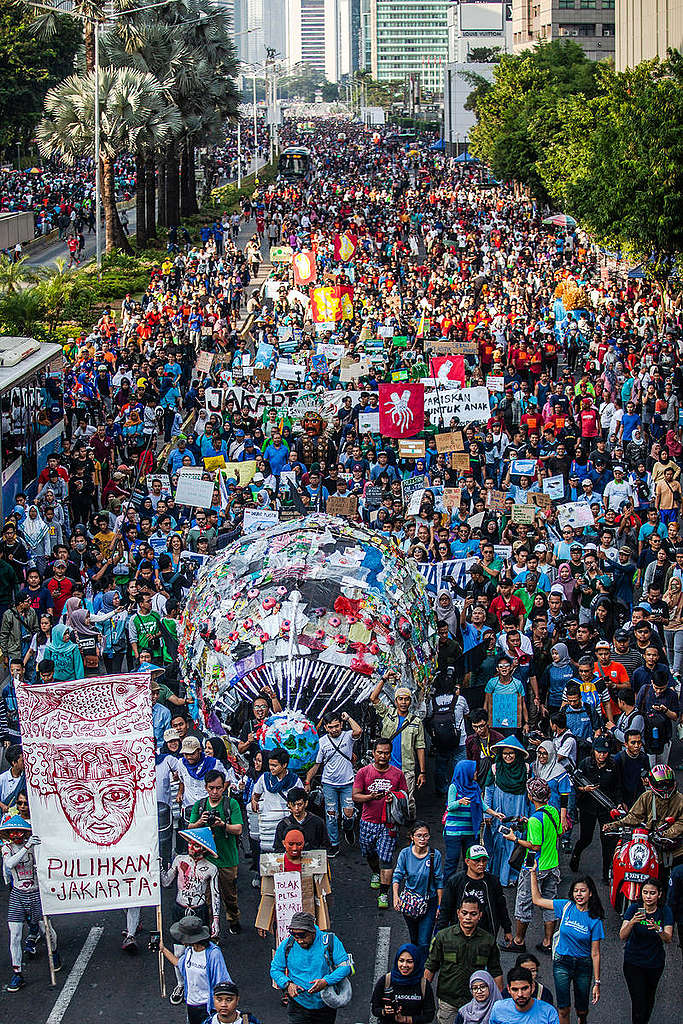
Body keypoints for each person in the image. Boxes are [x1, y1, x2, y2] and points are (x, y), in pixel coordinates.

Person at [529, 868, 603, 1024]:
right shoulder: (565, 906)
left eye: (583, 891)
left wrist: (597, 983)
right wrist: (533, 873)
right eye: (576, 891)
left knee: (582, 1009)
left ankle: (582, 1019)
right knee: (563, 1008)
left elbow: (595, 953)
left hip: (583, 964)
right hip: (562, 962)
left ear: (590, 893)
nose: (579, 894)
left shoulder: (595, 919)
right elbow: (537, 900)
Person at [500, 779, 561, 957]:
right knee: (549, 903)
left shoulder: (535, 819)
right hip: (553, 864)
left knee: (524, 902)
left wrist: (514, 839)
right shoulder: (553, 811)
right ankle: (548, 942)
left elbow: (535, 845)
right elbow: (558, 832)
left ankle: (518, 940)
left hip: (535, 866)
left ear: (530, 796)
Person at [162, 828, 221, 1006]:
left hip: (199, 911)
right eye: (190, 844)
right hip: (179, 909)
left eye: (196, 845)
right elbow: (166, 882)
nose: (191, 848)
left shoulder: (211, 868)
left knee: (200, 950)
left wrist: (216, 920)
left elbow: (216, 894)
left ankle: (201, 983)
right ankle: (181, 984)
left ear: (203, 848)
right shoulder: (179, 861)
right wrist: (157, 867)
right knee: (179, 951)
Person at [0, 814, 60, 992]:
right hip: (18, 894)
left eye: (20, 831)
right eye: (13, 832)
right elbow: (10, 864)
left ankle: (55, 953)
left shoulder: (35, 847)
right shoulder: (7, 848)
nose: (16, 835)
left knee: (46, 930)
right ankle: (17, 973)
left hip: (36, 894)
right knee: (15, 935)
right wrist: (27, 847)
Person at [424, 896, 503, 1024]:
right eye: (464, 913)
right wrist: (424, 997)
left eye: (473, 914)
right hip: (448, 1001)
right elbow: (431, 966)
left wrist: (499, 1003)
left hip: (476, 1003)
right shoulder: (443, 937)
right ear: (458, 913)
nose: (468, 917)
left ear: (480, 915)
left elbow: (496, 972)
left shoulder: (488, 941)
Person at [187, 769, 244, 936]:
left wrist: (222, 825)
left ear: (223, 787)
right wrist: (200, 822)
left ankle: (233, 919)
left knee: (229, 895)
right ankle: (212, 924)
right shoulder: (199, 806)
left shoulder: (231, 804)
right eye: (211, 788)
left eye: (218, 788)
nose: (214, 792)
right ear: (205, 787)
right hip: (206, 859)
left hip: (227, 858)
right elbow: (190, 828)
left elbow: (239, 829)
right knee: (207, 896)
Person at [353, 737, 408, 909]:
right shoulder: (364, 772)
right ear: (373, 753)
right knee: (368, 852)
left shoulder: (397, 774)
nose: (383, 756)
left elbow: (405, 796)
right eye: (380, 753)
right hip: (368, 821)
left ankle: (384, 894)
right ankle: (375, 872)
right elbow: (355, 796)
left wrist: (395, 797)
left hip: (388, 823)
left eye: (386, 753)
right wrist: (370, 796)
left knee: (386, 858)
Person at [270, 910, 352, 1024]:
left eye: (302, 935)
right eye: (294, 935)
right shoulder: (287, 945)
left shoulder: (329, 941)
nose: (299, 940)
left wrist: (325, 981)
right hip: (298, 1006)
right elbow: (275, 969)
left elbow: (345, 967)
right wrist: (287, 984)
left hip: (325, 1006)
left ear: (312, 931)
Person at [305, 709, 361, 855]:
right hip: (329, 783)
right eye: (331, 727)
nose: (334, 729)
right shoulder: (322, 742)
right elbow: (316, 765)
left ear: (341, 725)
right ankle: (334, 844)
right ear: (325, 728)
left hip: (347, 782)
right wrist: (307, 781)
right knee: (331, 815)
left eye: (337, 726)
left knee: (349, 814)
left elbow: (358, 731)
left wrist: (348, 717)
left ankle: (348, 828)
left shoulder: (347, 736)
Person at [620, 877, 674, 1024]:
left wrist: (659, 929)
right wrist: (632, 922)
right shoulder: (634, 908)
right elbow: (622, 936)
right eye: (645, 892)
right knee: (638, 1003)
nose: (648, 897)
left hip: (654, 963)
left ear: (659, 894)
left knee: (649, 999)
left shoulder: (664, 911)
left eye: (652, 893)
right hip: (633, 962)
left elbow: (668, 938)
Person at [161, 913, 231, 1024]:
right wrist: (163, 949)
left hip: (208, 1008)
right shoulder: (189, 951)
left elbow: (222, 982)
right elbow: (180, 965)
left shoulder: (213, 954)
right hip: (191, 1005)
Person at [436, 845, 513, 946]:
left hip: (486, 933)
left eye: (484, 860)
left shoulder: (493, 881)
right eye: (477, 861)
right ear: (467, 861)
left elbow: (501, 907)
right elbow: (445, 909)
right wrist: (441, 934)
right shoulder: (455, 882)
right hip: (459, 934)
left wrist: (507, 929)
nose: (481, 864)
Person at [569, 736, 622, 882]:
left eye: (605, 752)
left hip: (606, 808)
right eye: (599, 752)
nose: (602, 755)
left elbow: (617, 787)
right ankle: (576, 854)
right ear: (594, 752)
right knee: (586, 838)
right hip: (588, 807)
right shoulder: (586, 763)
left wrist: (618, 803)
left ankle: (606, 874)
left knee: (608, 842)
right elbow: (574, 783)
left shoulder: (613, 765)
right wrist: (583, 789)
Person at [370, 678, 426, 815]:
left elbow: (420, 747)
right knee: (385, 799)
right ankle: (388, 829)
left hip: (407, 768)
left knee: (408, 801)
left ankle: (410, 831)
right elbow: (373, 697)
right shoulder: (388, 715)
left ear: (410, 702)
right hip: (386, 767)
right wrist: (383, 679)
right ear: (395, 701)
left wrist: (423, 772)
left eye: (406, 699)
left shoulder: (416, 722)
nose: (403, 702)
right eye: (400, 699)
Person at [443, 760, 502, 881]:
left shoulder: (475, 787)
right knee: (451, 862)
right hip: (454, 833)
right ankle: (447, 889)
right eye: (474, 770)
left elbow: (481, 805)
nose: (476, 772)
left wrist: (494, 813)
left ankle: (467, 886)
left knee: (471, 862)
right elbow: (449, 806)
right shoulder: (454, 787)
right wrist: (459, 802)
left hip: (470, 831)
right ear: (466, 772)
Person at [392, 820, 444, 953]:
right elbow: (397, 876)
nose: (422, 839)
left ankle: (423, 971)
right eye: (419, 835)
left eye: (425, 835)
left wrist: (439, 905)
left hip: (429, 901)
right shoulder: (405, 854)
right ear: (412, 837)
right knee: (414, 939)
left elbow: (439, 881)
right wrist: (395, 896)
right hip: (410, 902)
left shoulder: (434, 855)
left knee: (424, 942)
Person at [487, 737, 530, 886]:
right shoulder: (495, 768)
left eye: (511, 753)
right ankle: (499, 876)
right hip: (500, 813)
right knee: (499, 843)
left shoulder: (526, 769)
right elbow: (489, 790)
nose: (508, 756)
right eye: (505, 753)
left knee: (517, 842)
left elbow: (530, 794)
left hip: (520, 811)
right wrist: (488, 813)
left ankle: (514, 876)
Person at [251, 747, 300, 854]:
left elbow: (299, 803)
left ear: (284, 765)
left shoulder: (295, 781)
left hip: (288, 823)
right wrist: (254, 802)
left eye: (275, 765)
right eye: (270, 765)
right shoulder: (264, 778)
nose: (271, 768)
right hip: (269, 824)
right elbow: (256, 795)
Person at [489, 966, 560, 1023]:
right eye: (515, 989)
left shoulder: (548, 1012)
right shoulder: (498, 1008)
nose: (520, 994)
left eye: (524, 988)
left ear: (532, 987)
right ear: (508, 989)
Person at [274, 787, 327, 852]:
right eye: (293, 805)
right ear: (288, 804)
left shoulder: (317, 822)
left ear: (306, 803)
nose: (296, 808)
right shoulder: (282, 825)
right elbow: (278, 848)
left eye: (299, 804)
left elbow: (325, 846)